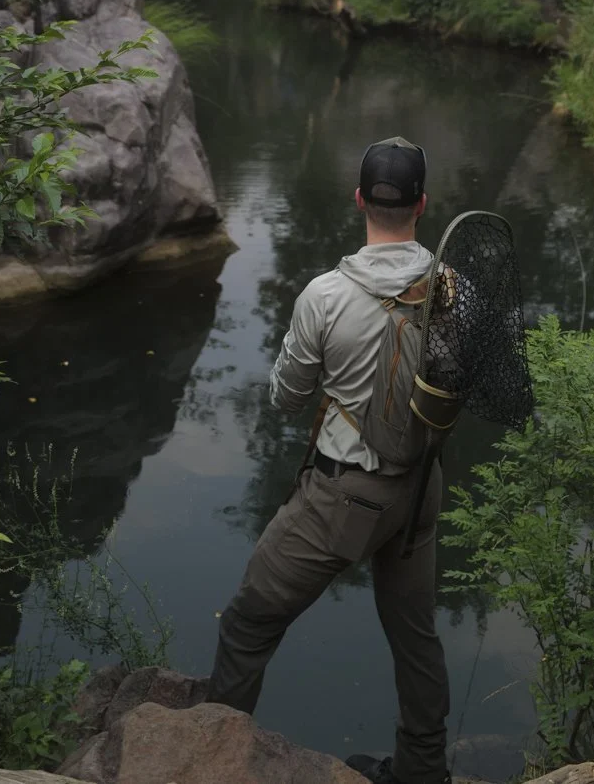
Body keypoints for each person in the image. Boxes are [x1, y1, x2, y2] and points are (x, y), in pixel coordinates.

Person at [208, 135, 451, 784]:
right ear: (422, 204)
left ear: (358, 200)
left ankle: (211, 759)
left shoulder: (325, 296)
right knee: (416, 637)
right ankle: (424, 771)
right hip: (421, 488)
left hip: (343, 499)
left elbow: (287, 398)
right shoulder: (453, 288)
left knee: (246, 625)